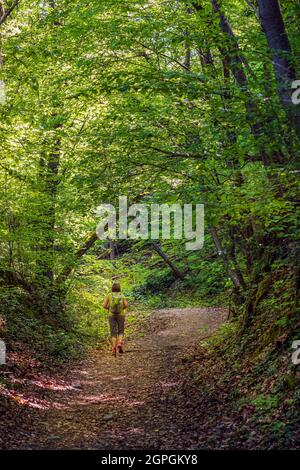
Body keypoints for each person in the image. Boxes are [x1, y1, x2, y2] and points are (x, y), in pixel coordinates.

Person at [102, 282, 128, 355]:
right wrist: (122, 308)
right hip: (121, 315)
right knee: (121, 331)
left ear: (112, 288)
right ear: (119, 288)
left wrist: (109, 308)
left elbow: (104, 305)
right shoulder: (122, 295)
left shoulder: (109, 295)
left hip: (111, 315)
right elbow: (126, 305)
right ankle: (119, 343)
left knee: (113, 332)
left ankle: (113, 347)